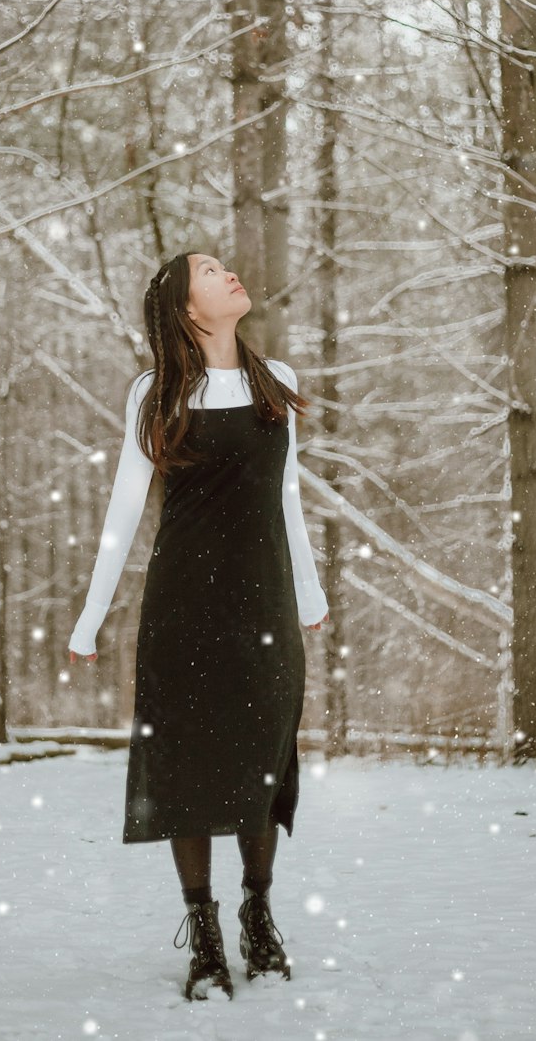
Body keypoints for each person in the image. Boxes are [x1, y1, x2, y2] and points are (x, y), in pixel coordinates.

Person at [68, 251, 330, 1001]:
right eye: (210, 271)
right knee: (183, 767)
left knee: (260, 759)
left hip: (265, 605)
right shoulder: (155, 393)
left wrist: (307, 592)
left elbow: (288, 500)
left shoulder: (275, 380)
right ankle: (205, 933)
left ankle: (257, 912)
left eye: (226, 265)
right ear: (187, 308)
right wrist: (91, 616)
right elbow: (124, 510)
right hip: (183, 606)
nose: (231, 274)